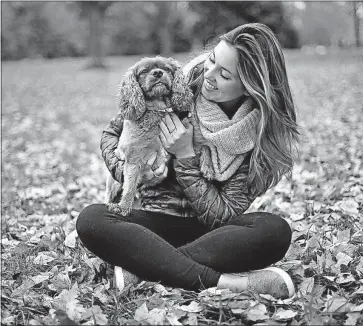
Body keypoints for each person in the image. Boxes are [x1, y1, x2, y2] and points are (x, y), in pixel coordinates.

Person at [76, 23, 299, 298]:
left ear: (250, 89)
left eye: (224, 74)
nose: (209, 75)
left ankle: (145, 268)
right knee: (92, 219)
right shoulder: (175, 84)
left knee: (274, 230)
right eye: (212, 60)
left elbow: (221, 216)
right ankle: (229, 284)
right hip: (151, 225)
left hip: (213, 237)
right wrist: (129, 171)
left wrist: (185, 157)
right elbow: (114, 133)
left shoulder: (261, 139)